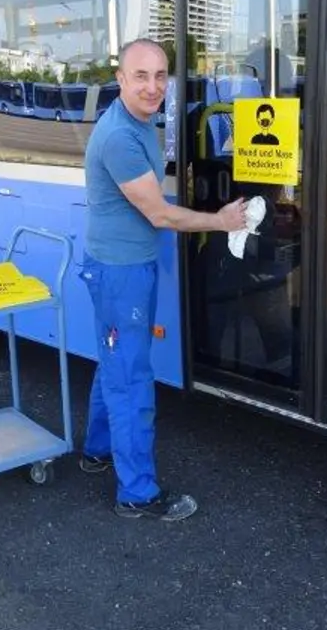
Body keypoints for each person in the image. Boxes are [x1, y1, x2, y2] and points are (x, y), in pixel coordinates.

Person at [77, 38, 247, 521]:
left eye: (160, 76)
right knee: (130, 378)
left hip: (124, 267)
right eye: (141, 76)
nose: (153, 87)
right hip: (120, 274)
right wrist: (220, 221)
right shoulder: (120, 138)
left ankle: (96, 451)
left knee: (115, 361)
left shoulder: (141, 123)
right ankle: (137, 494)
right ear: (120, 80)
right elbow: (157, 214)